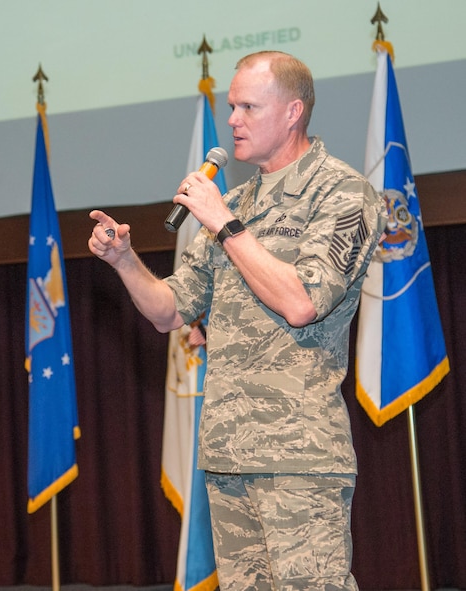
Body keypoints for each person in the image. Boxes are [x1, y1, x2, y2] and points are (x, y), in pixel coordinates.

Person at [89, 51, 386, 590]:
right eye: (231, 107)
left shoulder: (342, 193)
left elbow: (301, 303)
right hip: (229, 455)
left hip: (299, 456)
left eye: (249, 106)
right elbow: (169, 310)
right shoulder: (233, 201)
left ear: (293, 112)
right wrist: (124, 261)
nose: (232, 120)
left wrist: (225, 223)